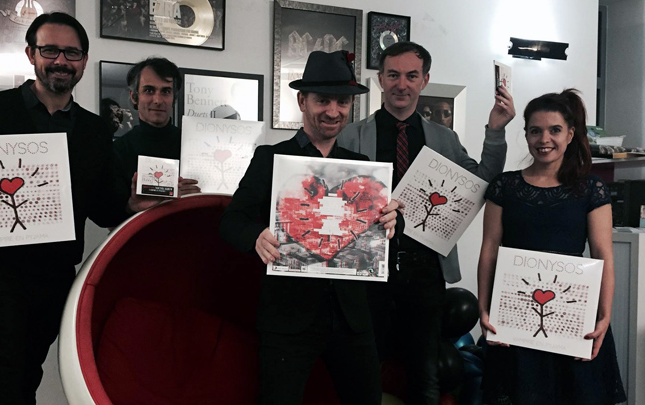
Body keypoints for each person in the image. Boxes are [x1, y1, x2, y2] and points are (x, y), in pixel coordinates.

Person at [0, 13, 155, 404]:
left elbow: (103, 208)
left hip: (54, 275)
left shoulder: (94, 131)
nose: (60, 61)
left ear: (84, 60)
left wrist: (131, 203)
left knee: (27, 377)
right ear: (31, 54)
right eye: (50, 50)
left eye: (71, 53)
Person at [339, 41, 516, 404]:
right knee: (362, 373)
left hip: (425, 272)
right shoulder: (352, 135)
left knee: (425, 376)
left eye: (411, 76)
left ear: (425, 80)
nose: (401, 84)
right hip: (365, 271)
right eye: (393, 75)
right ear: (380, 79)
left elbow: (482, 183)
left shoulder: (444, 139)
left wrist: (495, 130)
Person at [220, 50, 400, 404]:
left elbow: (381, 235)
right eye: (323, 100)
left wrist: (394, 220)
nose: (333, 111)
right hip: (288, 318)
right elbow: (231, 221)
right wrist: (256, 237)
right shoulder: (270, 158)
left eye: (342, 102)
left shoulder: (362, 166)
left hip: (351, 318)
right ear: (302, 101)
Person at [477, 89, 626, 404]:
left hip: (575, 318)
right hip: (515, 317)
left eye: (554, 130)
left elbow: (603, 256)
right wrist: (484, 308)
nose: (544, 139)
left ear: (570, 134)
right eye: (535, 130)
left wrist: (604, 316)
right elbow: (489, 250)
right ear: (526, 135)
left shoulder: (591, 189)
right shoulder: (504, 186)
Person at [112, 57, 200, 201]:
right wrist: (131, 206)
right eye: (149, 90)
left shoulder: (195, 148)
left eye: (166, 91)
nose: (158, 100)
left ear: (174, 98)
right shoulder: (118, 151)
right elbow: (108, 212)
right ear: (134, 97)